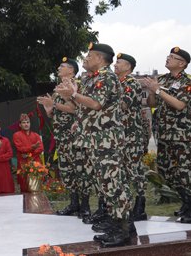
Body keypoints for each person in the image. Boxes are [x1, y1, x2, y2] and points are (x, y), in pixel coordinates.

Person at [56, 43, 132, 248]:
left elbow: (96, 104)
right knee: (105, 184)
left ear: (100, 58)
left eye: (90, 55)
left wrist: (72, 95)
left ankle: (123, 229)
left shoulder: (106, 77)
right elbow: (85, 107)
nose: (86, 58)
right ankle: (120, 225)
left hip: (106, 139)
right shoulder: (91, 78)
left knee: (113, 184)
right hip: (94, 139)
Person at [139, 46, 191, 224]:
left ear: (181, 63)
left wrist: (158, 90)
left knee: (186, 173)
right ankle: (186, 202)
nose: (168, 59)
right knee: (166, 171)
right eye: (168, 56)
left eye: (172, 57)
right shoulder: (163, 79)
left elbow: (180, 105)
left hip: (183, 136)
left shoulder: (188, 81)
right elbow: (152, 103)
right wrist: (152, 90)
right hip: (165, 135)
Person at [38, 57, 89, 217]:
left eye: (63, 66)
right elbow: (56, 113)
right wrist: (49, 109)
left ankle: (85, 206)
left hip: (75, 137)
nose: (59, 67)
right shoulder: (58, 88)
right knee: (67, 171)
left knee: (80, 170)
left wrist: (54, 105)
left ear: (72, 70)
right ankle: (74, 203)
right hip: (61, 137)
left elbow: (76, 109)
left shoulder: (77, 86)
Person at [114, 52, 149, 221]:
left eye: (119, 62)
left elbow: (123, 105)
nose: (115, 64)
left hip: (131, 135)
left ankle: (140, 206)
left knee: (134, 170)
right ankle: (127, 206)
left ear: (128, 67)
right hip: (120, 135)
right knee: (124, 171)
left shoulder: (131, 83)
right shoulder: (117, 83)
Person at [13, 114, 44, 192]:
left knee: (37, 186)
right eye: (24, 122)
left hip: (36, 163)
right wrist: (33, 147)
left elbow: (41, 148)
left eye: (28, 122)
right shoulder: (16, 135)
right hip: (23, 164)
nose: (26, 124)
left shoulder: (36, 135)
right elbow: (20, 148)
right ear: (20, 125)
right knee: (24, 187)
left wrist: (29, 154)